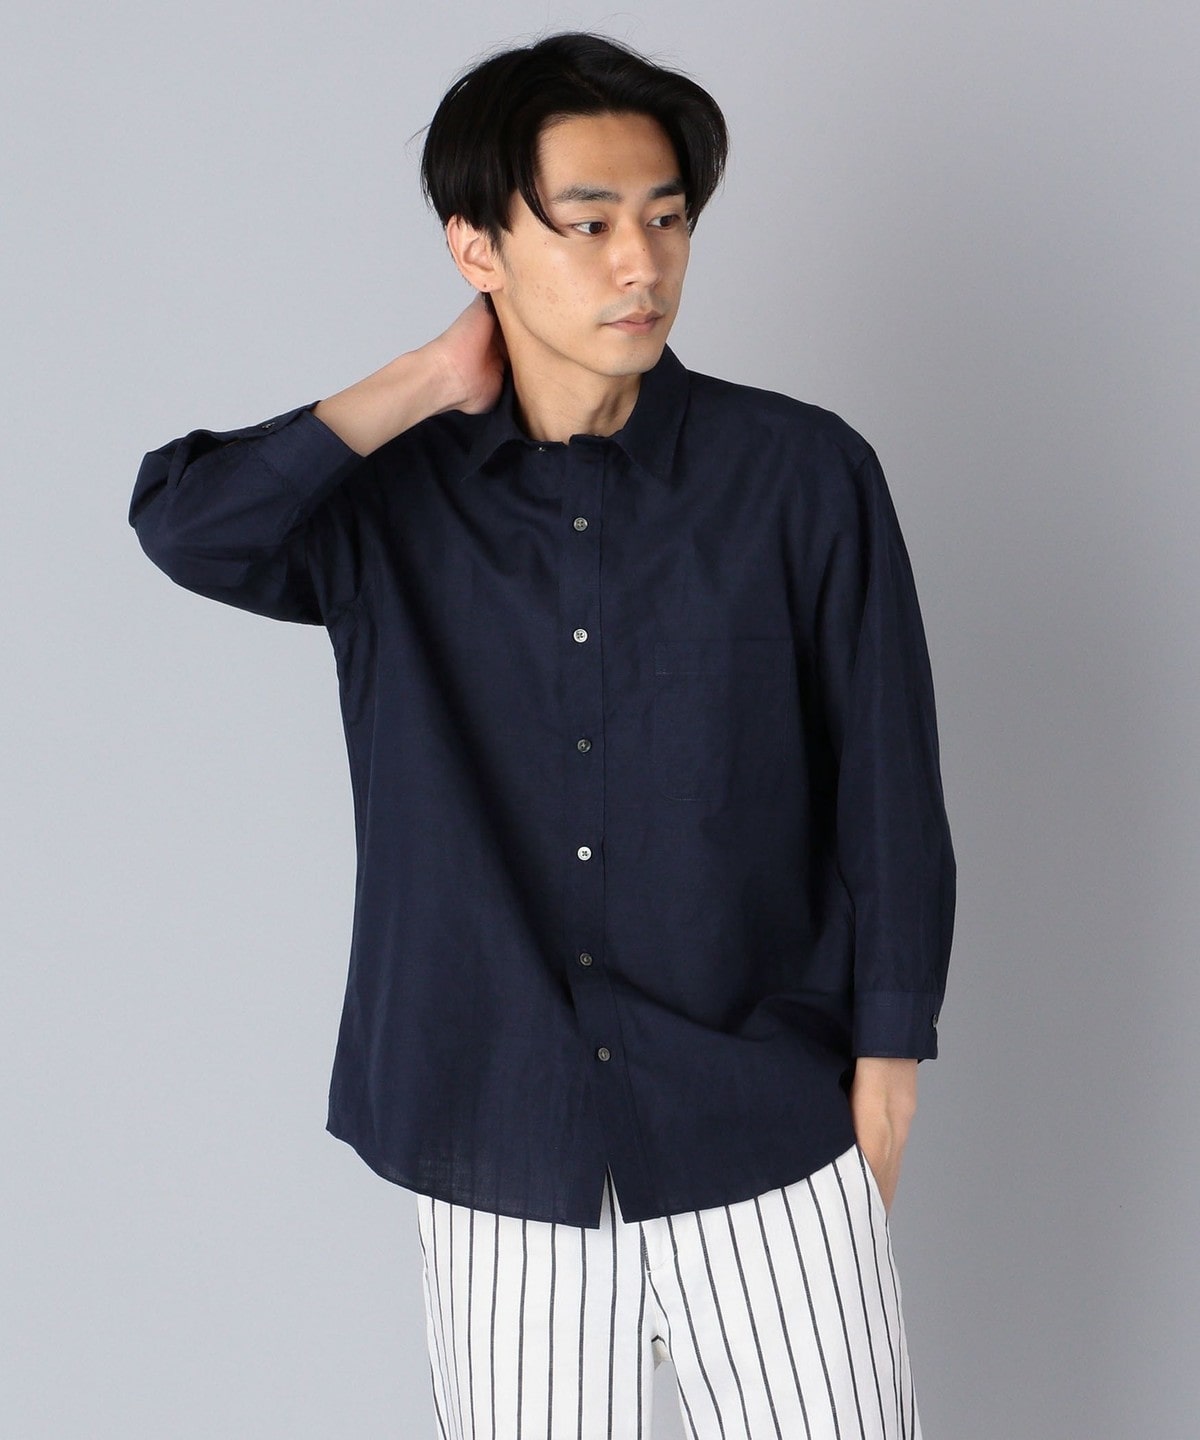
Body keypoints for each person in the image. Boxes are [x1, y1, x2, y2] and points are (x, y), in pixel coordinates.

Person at [129, 31, 954, 1440]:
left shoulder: (801, 475)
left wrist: (888, 1072)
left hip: (765, 1124)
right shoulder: (388, 502)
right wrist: (415, 383)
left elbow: (889, 785)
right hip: (497, 1137)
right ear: (479, 247)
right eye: (588, 224)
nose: (641, 264)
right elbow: (185, 524)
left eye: (667, 219)